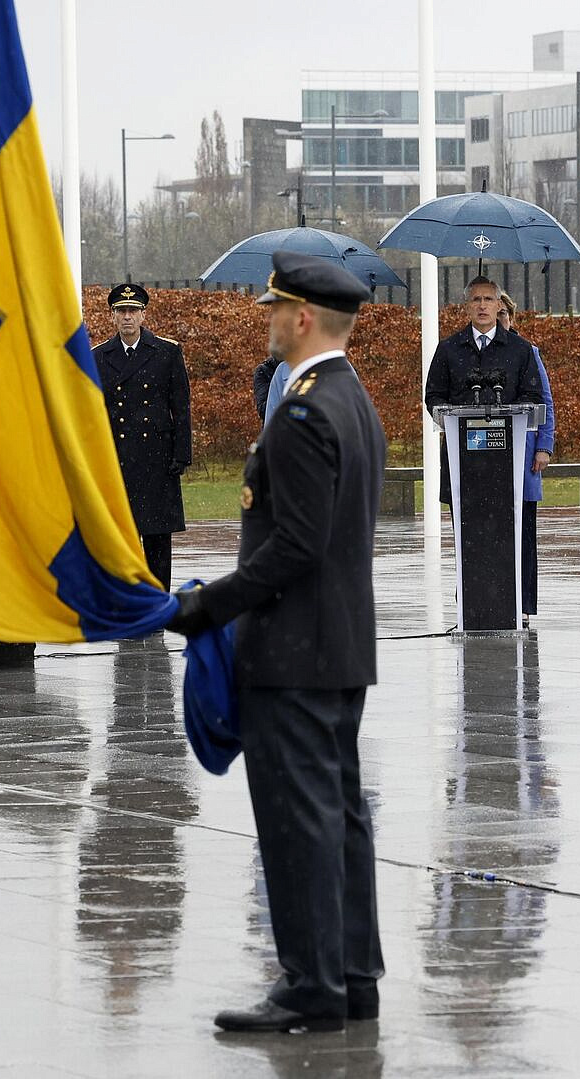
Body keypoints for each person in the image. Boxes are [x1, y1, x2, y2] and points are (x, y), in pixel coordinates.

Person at [168, 250, 385, 1034]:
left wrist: (206, 607)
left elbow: (294, 547)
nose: (264, 319)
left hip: (292, 653)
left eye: (272, 309)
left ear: (301, 318)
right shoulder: (351, 399)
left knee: (300, 821)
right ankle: (353, 975)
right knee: (340, 815)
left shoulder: (301, 412)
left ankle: (310, 985)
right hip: (339, 648)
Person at [92, 283, 192, 587]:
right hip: (117, 458)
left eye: (132, 311)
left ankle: (158, 598)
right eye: (121, 311)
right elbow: (93, 413)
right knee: (122, 535)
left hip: (157, 457)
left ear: (143, 314)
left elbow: (181, 405)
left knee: (157, 536)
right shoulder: (99, 356)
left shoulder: (166, 352)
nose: (127, 318)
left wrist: (181, 454)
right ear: (112, 316)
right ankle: (128, 601)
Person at [423, 275, 546, 505]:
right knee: (466, 532)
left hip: (507, 457)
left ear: (499, 305)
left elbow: (533, 395)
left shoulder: (520, 350)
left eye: (488, 299)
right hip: (462, 456)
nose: (482, 305)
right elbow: (433, 395)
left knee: (509, 535)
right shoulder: (448, 350)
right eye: (476, 299)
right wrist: (449, 415)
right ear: (467, 306)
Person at [497, 294, 555, 624]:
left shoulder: (528, 353)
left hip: (523, 459)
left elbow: (545, 402)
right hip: (484, 462)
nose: (499, 318)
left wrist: (544, 447)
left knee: (524, 537)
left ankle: (524, 606)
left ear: (512, 317)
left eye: (504, 312)